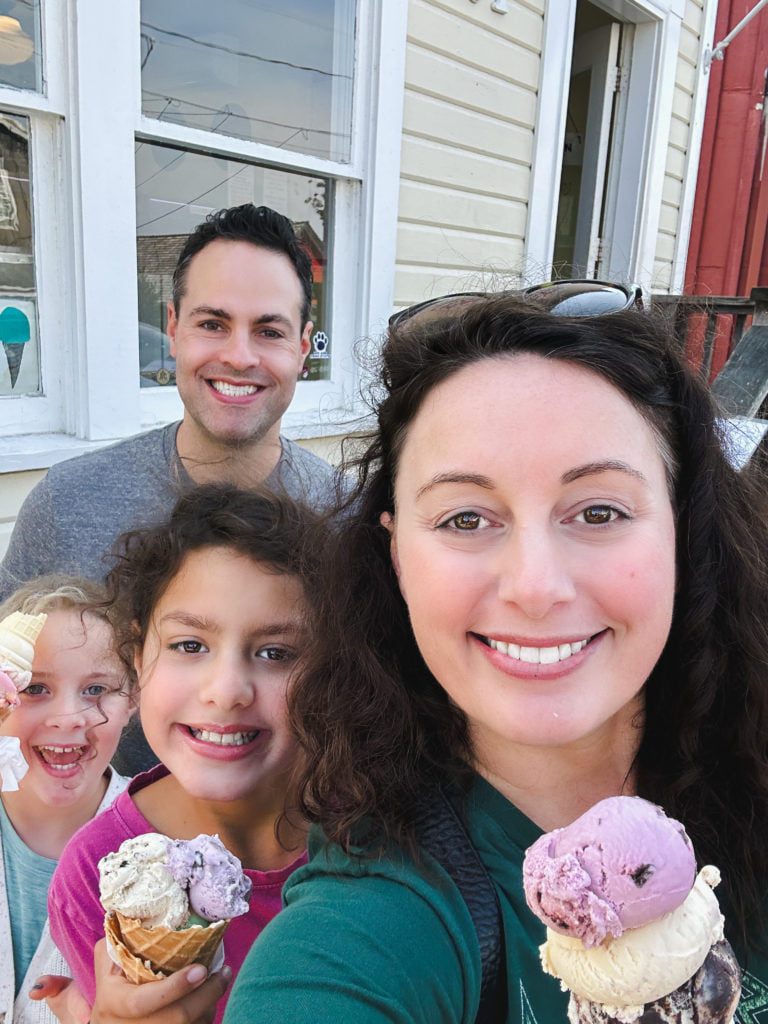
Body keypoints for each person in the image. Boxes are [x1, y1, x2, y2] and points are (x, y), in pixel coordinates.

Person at [82, 295, 768, 1023]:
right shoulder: (371, 924)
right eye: (465, 518)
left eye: (599, 511)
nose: (535, 587)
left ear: (682, 530)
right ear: (397, 556)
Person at [0, 203, 338, 774]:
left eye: (269, 331)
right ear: (174, 328)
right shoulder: (68, 504)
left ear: (303, 347)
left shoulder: (345, 519)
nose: (239, 356)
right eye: (213, 324)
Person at [47, 484, 324, 1024]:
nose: (227, 690)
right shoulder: (93, 874)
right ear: (137, 658)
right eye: (190, 645)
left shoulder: (377, 830)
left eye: (275, 653)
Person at [0, 576, 132, 1024]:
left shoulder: (169, 840)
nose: (68, 718)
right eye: (35, 688)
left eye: (96, 690)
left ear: (133, 700)